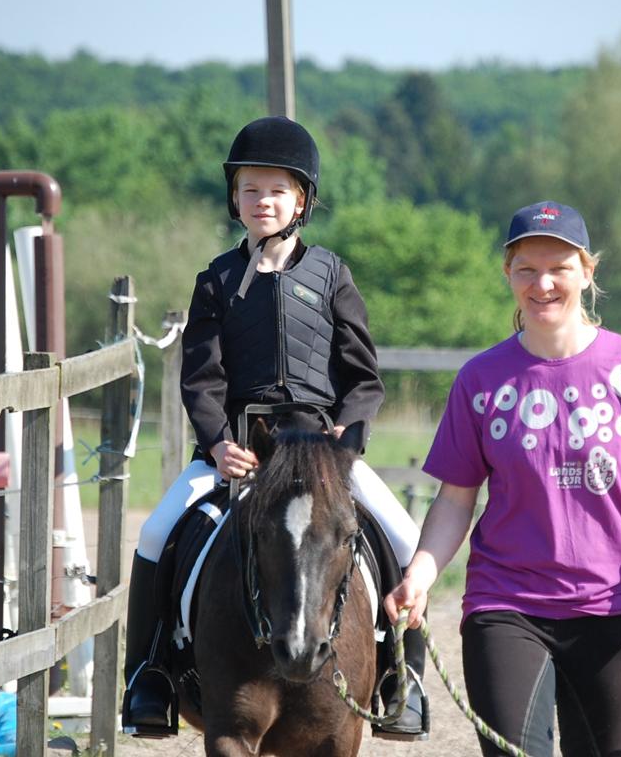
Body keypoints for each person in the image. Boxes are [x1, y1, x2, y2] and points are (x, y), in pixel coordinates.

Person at [123, 116, 429, 740]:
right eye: (250, 189)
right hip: (241, 449)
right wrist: (216, 443)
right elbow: (200, 377)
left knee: (402, 534)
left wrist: (348, 436)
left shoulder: (332, 275)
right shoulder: (216, 281)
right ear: (234, 198)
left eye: (277, 190)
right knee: (156, 533)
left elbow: (363, 376)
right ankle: (149, 675)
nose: (263, 201)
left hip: (322, 449)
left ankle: (402, 680)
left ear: (302, 201)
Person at [384, 201, 621, 756]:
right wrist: (419, 575)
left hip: (611, 611)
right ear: (508, 276)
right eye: (526, 269)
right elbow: (455, 499)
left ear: (588, 272)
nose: (543, 284)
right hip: (505, 604)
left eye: (559, 267)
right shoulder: (480, 380)